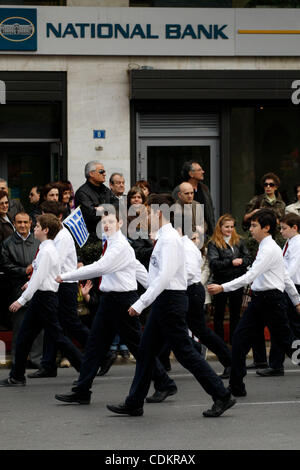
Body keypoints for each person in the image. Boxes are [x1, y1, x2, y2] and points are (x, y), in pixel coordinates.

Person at [107, 194, 236, 418]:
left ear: (159, 213)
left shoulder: (169, 240)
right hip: (165, 301)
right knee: (146, 352)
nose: (144, 216)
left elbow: (165, 276)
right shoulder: (165, 238)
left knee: (185, 352)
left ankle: (222, 395)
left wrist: (141, 302)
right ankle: (134, 402)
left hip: (170, 300)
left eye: (147, 211)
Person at [54, 207, 177, 405]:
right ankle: (82, 389)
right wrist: (154, 288)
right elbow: (137, 269)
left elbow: (101, 267)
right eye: (103, 223)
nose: (107, 225)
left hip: (122, 302)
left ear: (120, 224)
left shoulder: (119, 245)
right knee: (94, 346)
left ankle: (164, 383)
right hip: (109, 302)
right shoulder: (112, 244)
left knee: (139, 347)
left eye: (111, 222)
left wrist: (66, 276)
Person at [207, 209, 300, 397]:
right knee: (240, 339)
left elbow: (250, 276)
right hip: (261, 301)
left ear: (266, 228)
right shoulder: (267, 247)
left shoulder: (269, 249)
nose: (250, 229)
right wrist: (297, 300)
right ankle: (236, 386)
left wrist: (222, 288)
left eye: (254, 225)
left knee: (288, 343)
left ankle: (236, 385)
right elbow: (284, 277)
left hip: (272, 301)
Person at [0, 214, 83, 387]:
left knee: (58, 336)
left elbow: (38, 278)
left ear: (45, 230)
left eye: (37, 226)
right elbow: (38, 276)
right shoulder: (45, 248)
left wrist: (21, 300)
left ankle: (85, 368)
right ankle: (17, 375)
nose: (34, 228)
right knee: (24, 336)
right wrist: (28, 287)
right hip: (41, 298)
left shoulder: (47, 251)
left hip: (45, 299)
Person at [27, 201, 90, 378]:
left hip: (65, 284)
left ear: (58, 218)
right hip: (57, 283)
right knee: (52, 324)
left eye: (47, 216)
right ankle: (48, 364)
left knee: (69, 323)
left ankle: (100, 351)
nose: (42, 220)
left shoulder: (62, 237)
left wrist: (37, 276)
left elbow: (56, 262)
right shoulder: (56, 237)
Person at [255, 213, 300, 377]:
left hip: (292, 287)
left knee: (288, 328)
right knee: (281, 327)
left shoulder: (298, 243)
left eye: (284, 228)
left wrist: (278, 281)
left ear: (294, 227)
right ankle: (275, 364)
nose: (281, 231)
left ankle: (276, 364)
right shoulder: (289, 242)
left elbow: (291, 269)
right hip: (286, 286)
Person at [0, 212, 42, 367]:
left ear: (31, 223)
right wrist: (23, 271)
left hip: (38, 288)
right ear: (14, 223)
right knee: (20, 327)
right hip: (17, 289)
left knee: (39, 328)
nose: (23, 225)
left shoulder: (39, 240)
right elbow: (5, 265)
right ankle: (19, 361)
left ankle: (38, 360)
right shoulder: (7, 243)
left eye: (25, 222)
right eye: (19, 222)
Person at [207, 214, 252, 343]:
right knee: (219, 314)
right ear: (220, 227)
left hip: (237, 281)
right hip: (220, 282)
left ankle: (235, 341)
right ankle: (219, 342)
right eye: (227, 227)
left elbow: (248, 258)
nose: (230, 229)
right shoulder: (213, 243)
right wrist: (231, 262)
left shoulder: (239, 240)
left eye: (232, 227)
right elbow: (214, 264)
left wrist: (241, 261)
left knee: (235, 314)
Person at [74, 161, 116, 235]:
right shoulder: (82, 193)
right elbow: (92, 215)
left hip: (108, 233)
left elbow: (117, 206)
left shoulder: (105, 189)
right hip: (92, 237)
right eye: (101, 171)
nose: (105, 174)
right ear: (91, 174)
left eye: (104, 171)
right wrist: (108, 210)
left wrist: (102, 210)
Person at [180, 161, 215, 236]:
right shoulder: (180, 190)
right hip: (188, 235)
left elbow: (210, 211)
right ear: (191, 174)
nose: (203, 171)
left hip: (206, 233)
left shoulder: (204, 189)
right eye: (199, 170)